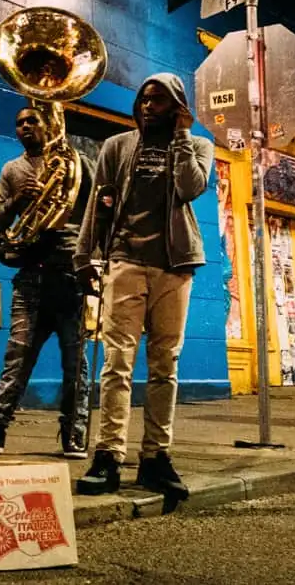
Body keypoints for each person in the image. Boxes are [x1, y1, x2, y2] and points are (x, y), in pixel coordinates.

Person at [73, 73, 213, 499]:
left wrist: (183, 136)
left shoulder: (198, 145)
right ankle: (108, 456)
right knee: (116, 362)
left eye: (159, 101)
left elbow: (192, 188)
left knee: (164, 365)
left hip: (175, 266)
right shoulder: (117, 147)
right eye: (144, 100)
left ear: (177, 106)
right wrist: (84, 255)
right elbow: (99, 203)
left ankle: (156, 457)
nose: (148, 107)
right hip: (126, 262)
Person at [0, 106, 94, 459]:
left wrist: (95, 261)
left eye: (32, 121)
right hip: (31, 275)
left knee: (76, 361)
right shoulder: (12, 169)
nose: (25, 126)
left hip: (71, 274)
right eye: (19, 122)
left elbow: (95, 215)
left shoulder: (79, 162)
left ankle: (75, 432)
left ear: (48, 125)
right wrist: (17, 200)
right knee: (18, 356)